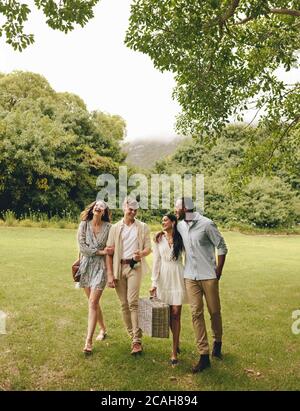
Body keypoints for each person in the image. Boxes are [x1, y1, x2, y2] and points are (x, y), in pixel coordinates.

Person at [175, 197, 228, 373]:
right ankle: (203, 355)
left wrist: (218, 272)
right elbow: (172, 235)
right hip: (190, 276)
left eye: (177, 208)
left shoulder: (206, 224)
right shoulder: (180, 225)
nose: (175, 211)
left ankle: (217, 343)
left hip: (208, 276)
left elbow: (221, 246)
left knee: (214, 312)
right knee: (196, 313)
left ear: (186, 208)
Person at [106, 197, 152, 355]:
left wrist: (141, 254)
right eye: (130, 209)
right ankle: (132, 334)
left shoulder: (143, 227)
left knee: (133, 302)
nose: (132, 212)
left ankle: (136, 341)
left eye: (135, 210)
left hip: (135, 267)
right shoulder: (115, 228)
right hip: (119, 268)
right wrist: (110, 274)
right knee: (124, 304)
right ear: (124, 208)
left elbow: (148, 248)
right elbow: (109, 253)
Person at [150, 213, 187, 365]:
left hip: (178, 275)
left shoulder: (181, 237)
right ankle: (176, 341)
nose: (163, 222)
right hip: (164, 278)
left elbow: (188, 257)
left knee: (176, 313)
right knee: (167, 314)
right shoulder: (159, 238)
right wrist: (154, 282)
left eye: (166, 220)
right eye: (162, 220)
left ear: (173, 222)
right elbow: (156, 262)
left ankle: (174, 352)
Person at [77, 200, 113, 355]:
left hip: (101, 269)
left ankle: (88, 341)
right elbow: (83, 248)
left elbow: (111, 248)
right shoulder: (83, 225)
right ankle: (103, 329)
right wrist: (101, 251)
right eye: (96, 205)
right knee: (94, 303)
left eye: (102, 206)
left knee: (92, 302)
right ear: (92, 209)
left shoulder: (109, 228)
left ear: (104, 212)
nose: (99, 207)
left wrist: (107, 252)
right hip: (85, 267)